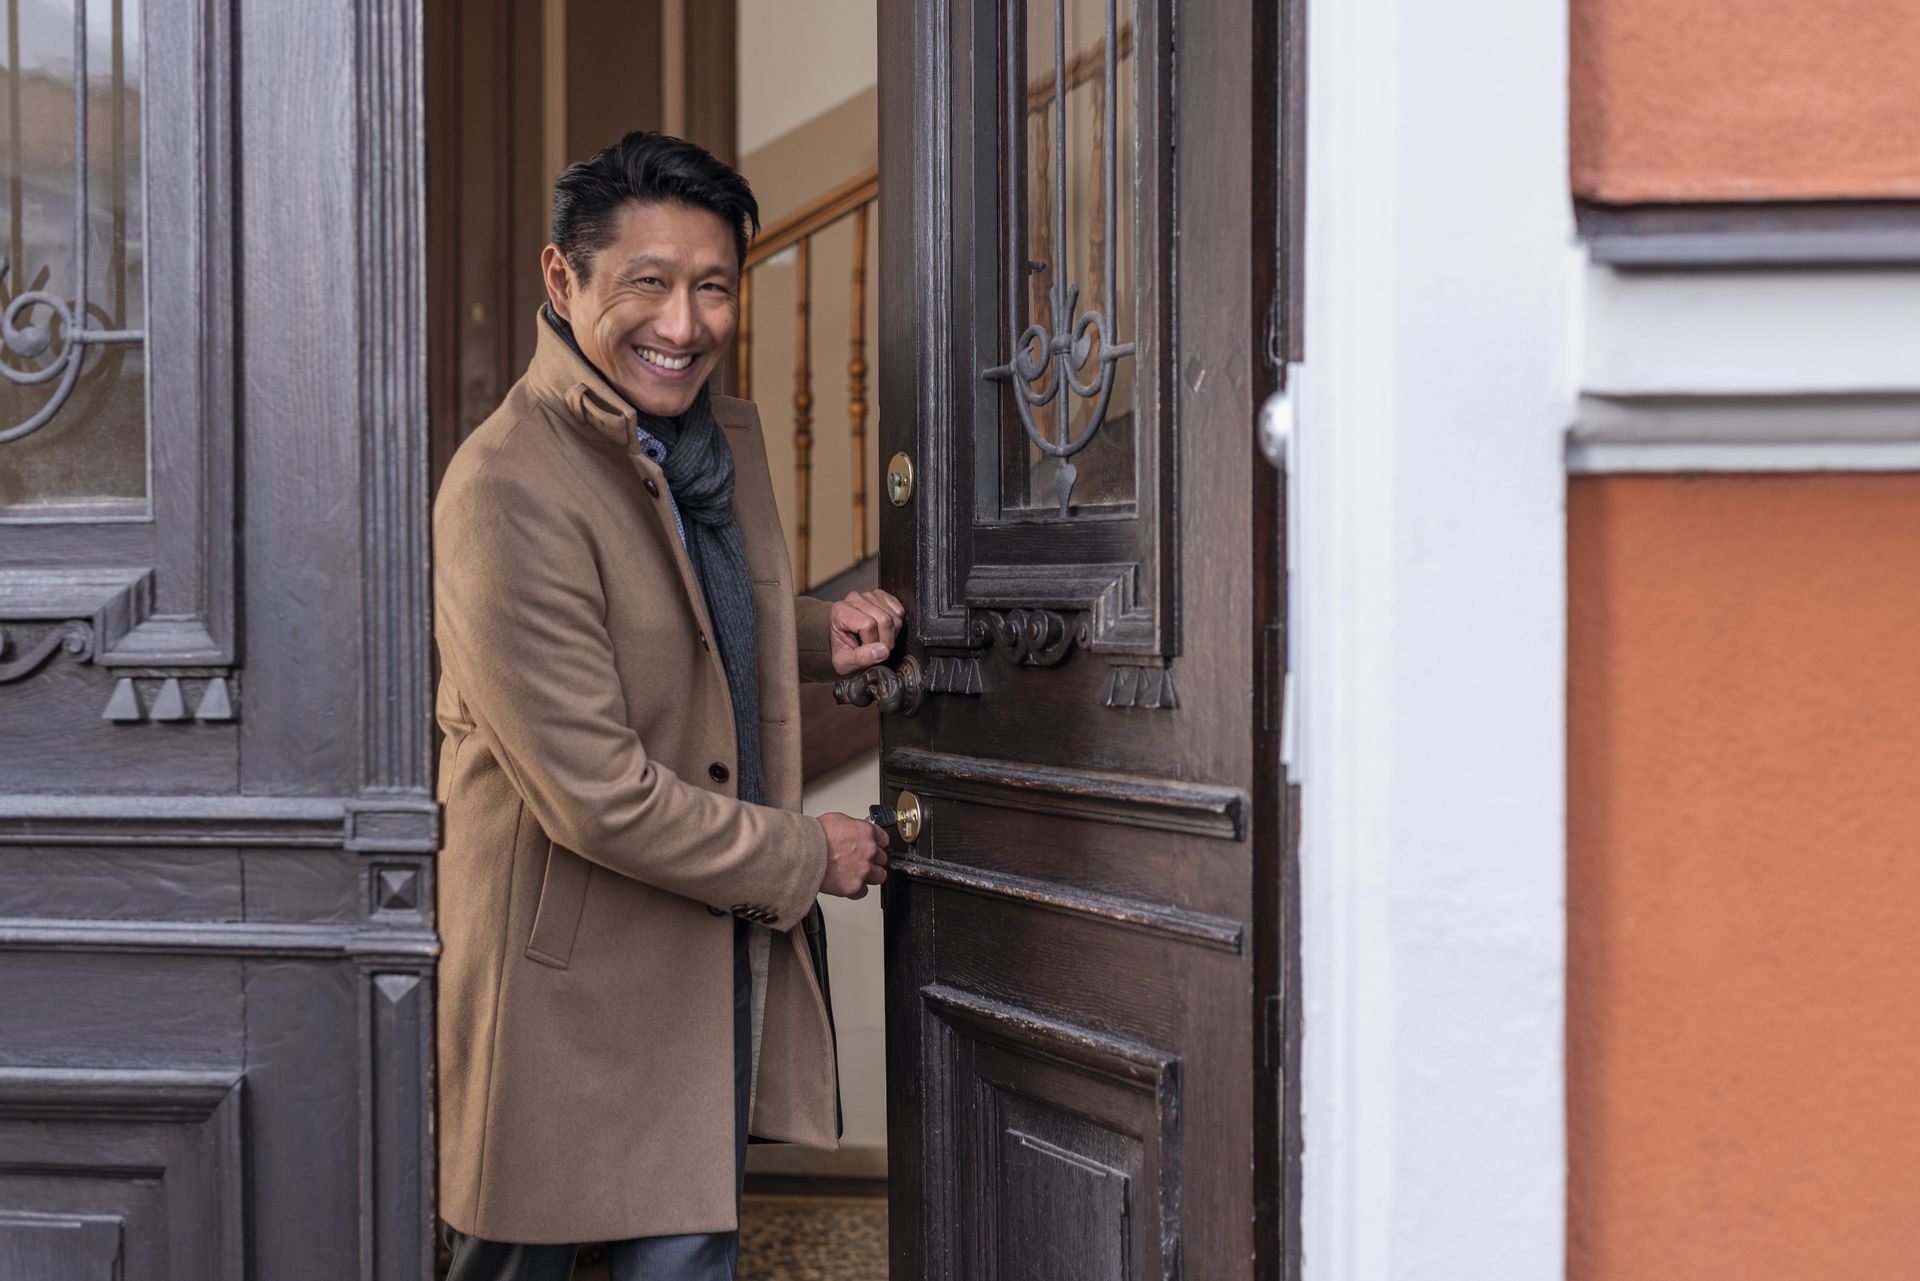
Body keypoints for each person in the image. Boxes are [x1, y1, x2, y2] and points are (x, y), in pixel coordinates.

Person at [432, 130, 901, 1281]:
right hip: (565, 988)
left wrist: (812, 636)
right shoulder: (508, 486)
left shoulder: (705, 442)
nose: (683, 324)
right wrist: (806, 853)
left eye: (711, 287)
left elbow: (680, 622)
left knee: (687, 1253)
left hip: (699, 952)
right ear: (563, 280)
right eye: (646, 282)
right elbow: (594, 792)